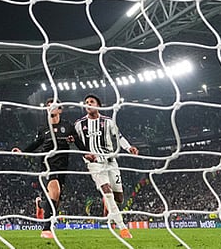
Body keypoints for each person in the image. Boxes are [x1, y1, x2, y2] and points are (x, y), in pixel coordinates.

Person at [71, 94, 139, 240]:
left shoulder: (108, 121)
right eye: (86, 102)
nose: (88, 104)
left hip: (111, 160)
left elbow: (119, 137)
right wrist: (82, 152)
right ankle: (123, 228)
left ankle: (110, 208)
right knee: (107, 192)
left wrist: (129, 148)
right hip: (94, 163)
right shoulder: (79, 124)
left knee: (119, 197)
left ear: (98, 105)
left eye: (91, 102)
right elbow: (74, 140)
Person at [11, 99, 76, 239]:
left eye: (53, 106)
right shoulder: (43, 128)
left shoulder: (68, 126)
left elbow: (77, 140)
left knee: (56, 198)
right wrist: (23, 152)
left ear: (60, 109)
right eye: (48, 106)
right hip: (47, 163)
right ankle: (46, 229)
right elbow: (36, 143)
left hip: (63, 166)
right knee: (55, 191)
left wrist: (82, 148)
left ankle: (40, 204)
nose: (50, 108)